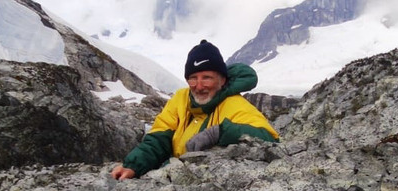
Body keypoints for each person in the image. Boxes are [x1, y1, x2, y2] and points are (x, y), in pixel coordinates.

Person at [111, 40, 279, 180]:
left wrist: (219, 132)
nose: (199, 86)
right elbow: (159, 138)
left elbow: (270, 139)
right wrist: (133, 165)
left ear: (222, 80)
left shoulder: (233, 104)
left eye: (207, 78)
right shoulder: (181, 98)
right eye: (193, 78)